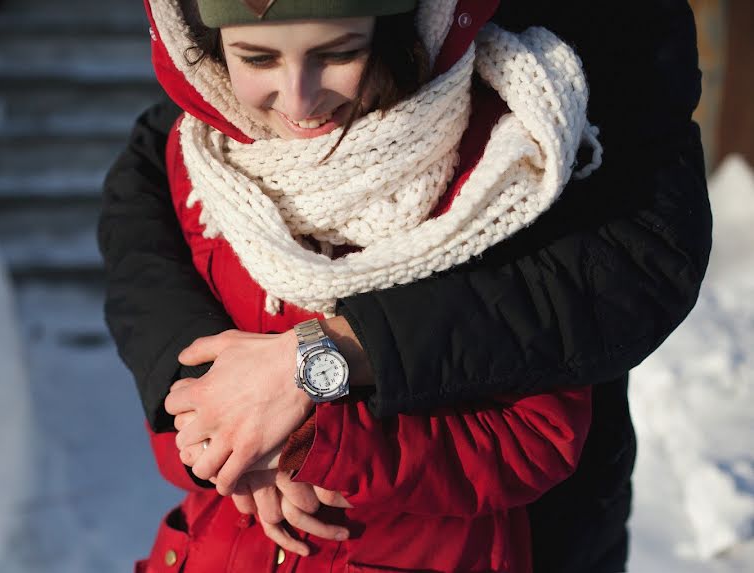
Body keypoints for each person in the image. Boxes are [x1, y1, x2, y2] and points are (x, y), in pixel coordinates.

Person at [98, 0, 710, 571]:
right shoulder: (204, 159)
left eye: (337, 54)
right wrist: (219, 437)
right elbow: (169, 350)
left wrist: (309, 431)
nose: (300, 98)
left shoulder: (495, 178)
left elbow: (537, 433)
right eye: (258, 58)